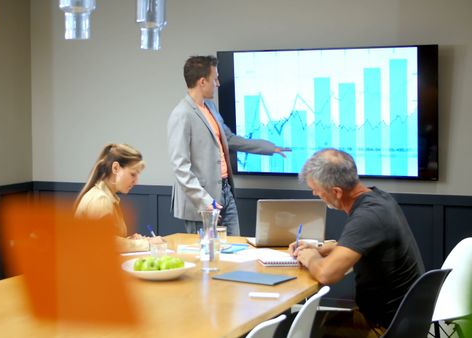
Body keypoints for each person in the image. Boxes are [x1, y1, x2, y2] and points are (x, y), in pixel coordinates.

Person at [290, 148, 425, 337]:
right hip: (405, 319)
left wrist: (311, 257)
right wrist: (320, 248)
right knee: (301, 322)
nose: (314, 194)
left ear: (336, 192)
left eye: (318, 191)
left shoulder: (367, 217)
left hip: (384, 327)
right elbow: (361, 246)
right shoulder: (380, 199)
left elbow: (327, 274)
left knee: (294, 329)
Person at [167, 55, 290, 236]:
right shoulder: (182, 114)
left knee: (235, 248)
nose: (217, 83)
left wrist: (268, 148)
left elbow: (230, 139)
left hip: (225, 191)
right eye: (214, 78)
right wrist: (205, 201)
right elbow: (180, 167)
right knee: (208, 257)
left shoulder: (210, 108)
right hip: (202, 202)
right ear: (202, 82)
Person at [75, 143, 164, 253]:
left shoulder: (106, 197)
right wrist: (147, 243)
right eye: (133, 174)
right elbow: (105, 243)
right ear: (116, 168)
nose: (136, 181)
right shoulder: (100, 200)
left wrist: (127, 241)